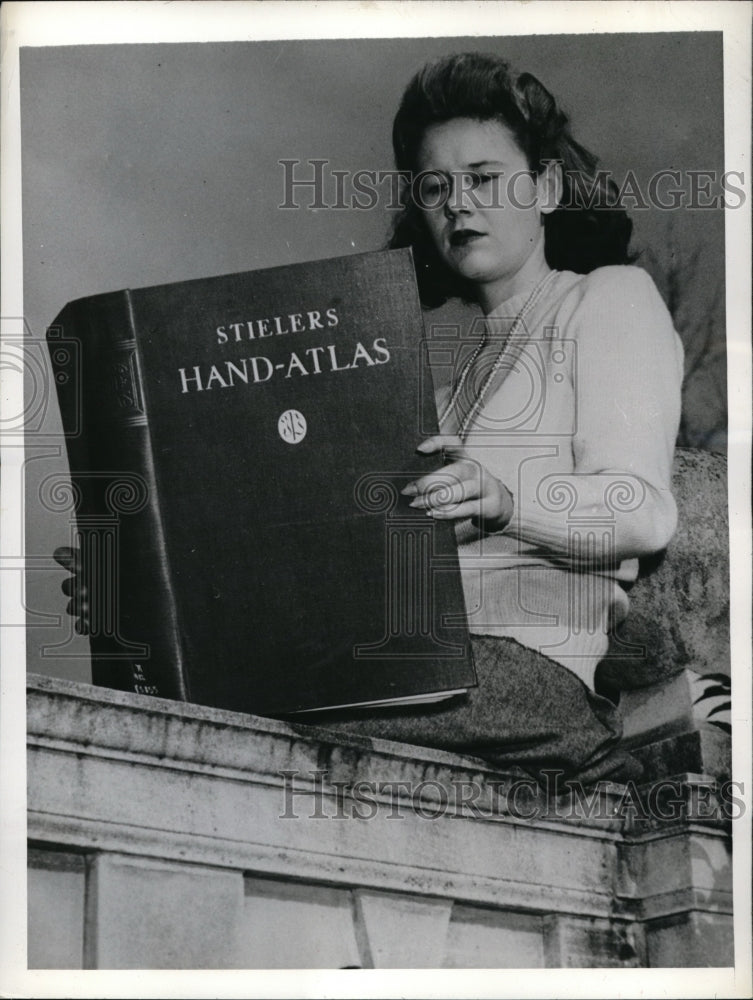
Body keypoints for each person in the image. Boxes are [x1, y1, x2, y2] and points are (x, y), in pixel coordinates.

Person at [57, 52, 684, 786]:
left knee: (225, 694)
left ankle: (603, 750)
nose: (458, 204)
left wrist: (510, 503)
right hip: (419, 660)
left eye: (483, 177)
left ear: (544, 185)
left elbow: (641, 512)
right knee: (186, 680)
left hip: (527, 674)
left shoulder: (607, 297)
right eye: (434, 185)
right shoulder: (443, 392)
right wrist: (143, 592)